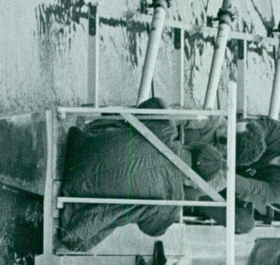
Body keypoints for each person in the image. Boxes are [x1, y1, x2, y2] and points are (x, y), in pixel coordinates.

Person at [56, 97, 231, 252]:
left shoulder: (165, 128)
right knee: (122, 214)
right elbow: (152, 230)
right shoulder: (172, 203)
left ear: (194, 146)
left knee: (127, 128)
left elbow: (154, 103)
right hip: (73, 201)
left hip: (78, 147)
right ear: (195, 182)